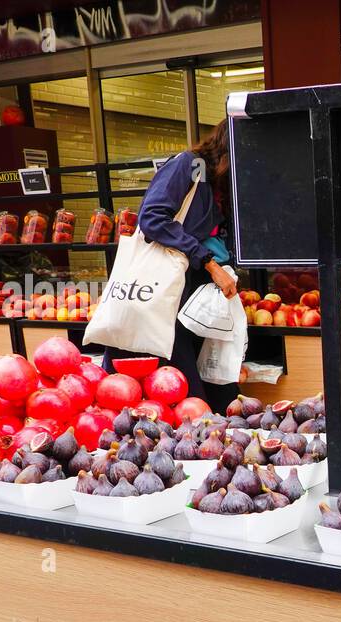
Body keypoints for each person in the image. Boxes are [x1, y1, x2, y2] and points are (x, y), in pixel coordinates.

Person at [103, 118, 240, 412]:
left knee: (215, 383)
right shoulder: (190, 165)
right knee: (185, 391)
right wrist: (208, 262)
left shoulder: (221, 183)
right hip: (169, 290)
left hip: (199, 294)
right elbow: (152, 218)